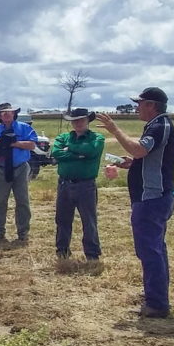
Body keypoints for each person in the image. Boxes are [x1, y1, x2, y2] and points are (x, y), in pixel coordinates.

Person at [97, 88, 174, 318]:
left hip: (152, 197)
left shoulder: (159, 126)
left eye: (140, 103)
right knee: (155, 249)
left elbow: (139, 149)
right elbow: (148, 158)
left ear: (151, 105)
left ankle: (157, 303)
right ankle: (156, 296)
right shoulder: (159, 125)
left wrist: (114, 130)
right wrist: (131, 163)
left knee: (149, 251)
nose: (137, 107)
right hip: (155, 196)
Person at [51, 108, 104, 261]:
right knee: (62, 219)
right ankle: (62, 250)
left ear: (88, 121)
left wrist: (70, 150)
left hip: (85, 185)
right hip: (64, 184)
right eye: (75, 120)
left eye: (81, 120)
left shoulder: (97, 137)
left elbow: (91, 150)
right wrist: (80, 155)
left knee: (89, 220)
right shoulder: (63, 137)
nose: (78, 123)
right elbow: (56, 152)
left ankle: (92, 253)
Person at [0, 102, 39, 243]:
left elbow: (32, 145)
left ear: (14, 114)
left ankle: (23, 232)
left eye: (10, 111)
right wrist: (0, 142)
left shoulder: (25, 128)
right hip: (0, 167)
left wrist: (14, 143)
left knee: (22, 201)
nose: (7, 114)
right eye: (4, 112)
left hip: (20, 167)